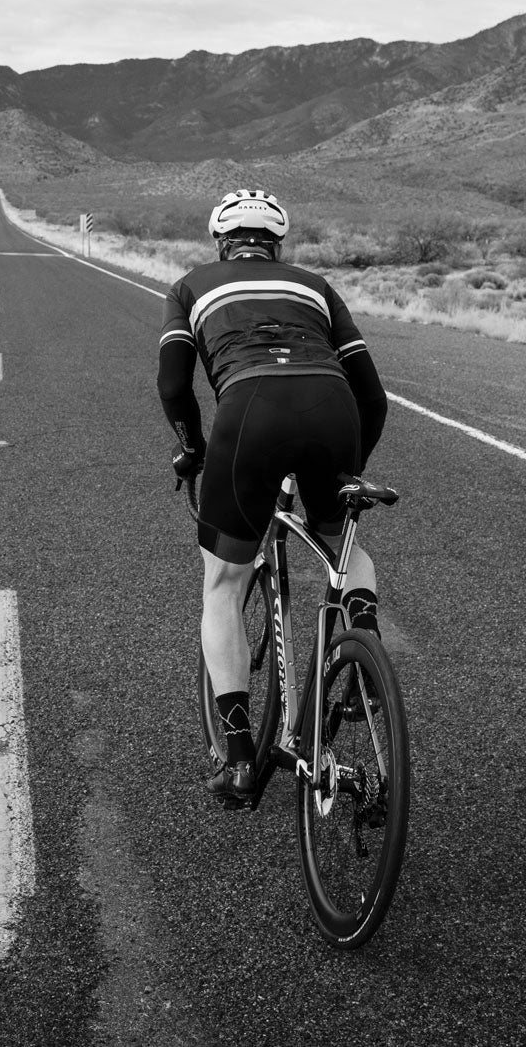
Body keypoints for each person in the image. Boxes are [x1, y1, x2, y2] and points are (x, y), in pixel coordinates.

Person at [158, 188, 389, 808]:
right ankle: (363, 650)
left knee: (224, 582)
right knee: (344, 545)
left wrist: (193, 448)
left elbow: (174, 384)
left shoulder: (191, 286)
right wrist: (346, 476)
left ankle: (236, 756)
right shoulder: (314, 284)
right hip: (333, 409)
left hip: (251, 413)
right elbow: (373, 398)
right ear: (278, 242)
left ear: (220, 241)